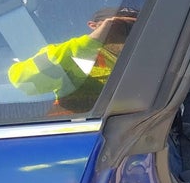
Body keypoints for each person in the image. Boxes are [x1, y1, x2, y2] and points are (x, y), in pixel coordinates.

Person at [8, 6, 138, 112]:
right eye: (118, 26)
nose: (127, 33)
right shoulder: (73, 54)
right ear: (93, 26)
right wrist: (90, 42)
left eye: (135, 27)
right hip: (87, 129)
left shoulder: (146, 57)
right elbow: (23, 81)